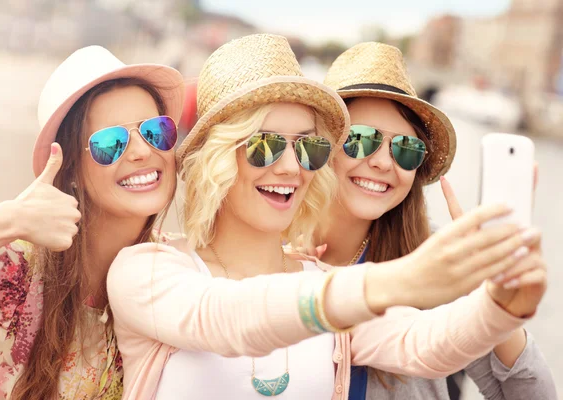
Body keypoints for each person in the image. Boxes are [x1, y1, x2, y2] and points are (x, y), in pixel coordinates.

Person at [107, 34, 538, 400]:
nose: (291, 167)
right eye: (266, 145)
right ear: (216, 159)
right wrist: (404, 279)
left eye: (308, 147)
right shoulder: (146, 269)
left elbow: (423, 344)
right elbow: (222, 318)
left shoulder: (322, 280)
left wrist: (498, 304)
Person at [311, 42, 555, 399]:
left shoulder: (441, 258)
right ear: (321, 145)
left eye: (405, 149)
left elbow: (533, 394)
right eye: (361, 140)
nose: (382, 162)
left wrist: (492, 296)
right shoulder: (271, 254)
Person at [0, 45, 184, 399]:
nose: (143, 151)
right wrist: (11, 217)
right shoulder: (10, 271)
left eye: (155, 131)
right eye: (110, 142)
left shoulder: (175, 271)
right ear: (70, 171)